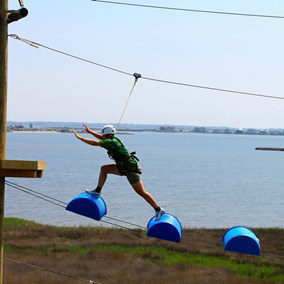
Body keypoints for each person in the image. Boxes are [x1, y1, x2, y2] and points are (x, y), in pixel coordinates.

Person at [73, 124, 165, 220]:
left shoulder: (111, 142)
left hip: (130, 170)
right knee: (104, 169)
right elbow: (101, 137)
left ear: (107, 135)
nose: (102, 136)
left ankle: (158, 210)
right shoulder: (113, 139)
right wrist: (90, 131)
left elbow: (94, 143)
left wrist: (80, 138)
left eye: (103, 135)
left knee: (141, 192)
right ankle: (97, 191)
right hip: (123, 167)